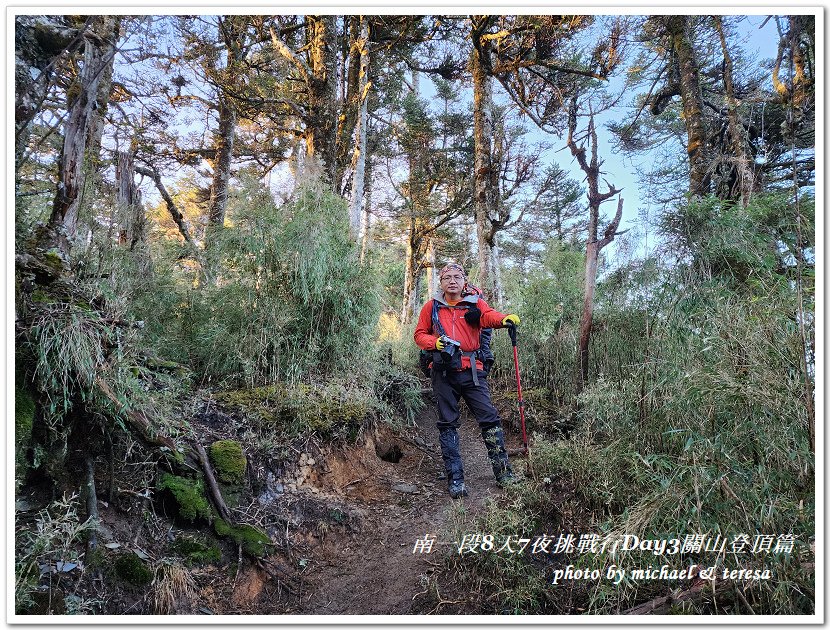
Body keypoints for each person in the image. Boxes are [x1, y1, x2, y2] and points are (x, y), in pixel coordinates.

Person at [414, 263, 521, 499]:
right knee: (448, 423)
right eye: (447, 278)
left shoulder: (474, 304)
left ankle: (504, 473)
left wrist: (505, 319)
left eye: (457, 277)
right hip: (443, 372)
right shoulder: (431, 307)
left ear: (464, 281)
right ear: (440, 283)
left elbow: (488, 316)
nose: (452, 281)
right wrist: (436, 343)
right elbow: (419, 335)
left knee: (489, 418)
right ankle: (456, 479)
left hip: (473, 370)